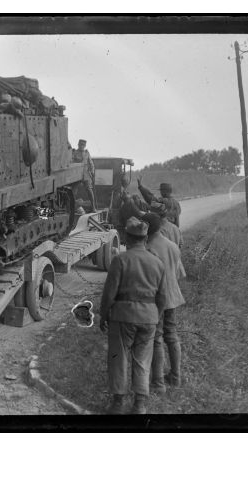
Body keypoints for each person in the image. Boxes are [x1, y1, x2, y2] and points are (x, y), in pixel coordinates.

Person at [99, 217, 168, 415]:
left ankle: (118, 403)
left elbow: (109, 294)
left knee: (118, 358)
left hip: (123, 316)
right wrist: (156, 316)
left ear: (127, 238)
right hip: (149, 319)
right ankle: (140, 404)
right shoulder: (157, 262)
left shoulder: (121, 260)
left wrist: (103, 316)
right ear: (145, 238)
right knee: (143, 360)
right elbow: (162, 296)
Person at [142, 213, 186, 391]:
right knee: (172, 335)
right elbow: (178, 274)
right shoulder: (172, 246)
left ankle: (158, 382)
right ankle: (176, 377)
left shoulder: (148, 249)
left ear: (146, 229)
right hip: (172, 297)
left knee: (157, 338)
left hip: (156, 300)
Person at [72, 139, 96, 211]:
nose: (81, 146)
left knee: (89, 190)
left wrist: (92, 172)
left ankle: (93, 207)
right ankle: (71, 207)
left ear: (85, 146)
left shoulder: (87, 153)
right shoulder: (75, 153)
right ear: (78, 145)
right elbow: (72, 162)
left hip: (86, 174)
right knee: (73, 191)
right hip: (77, 174)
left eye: (83, 145)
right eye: (80, 144)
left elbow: (91, 163)